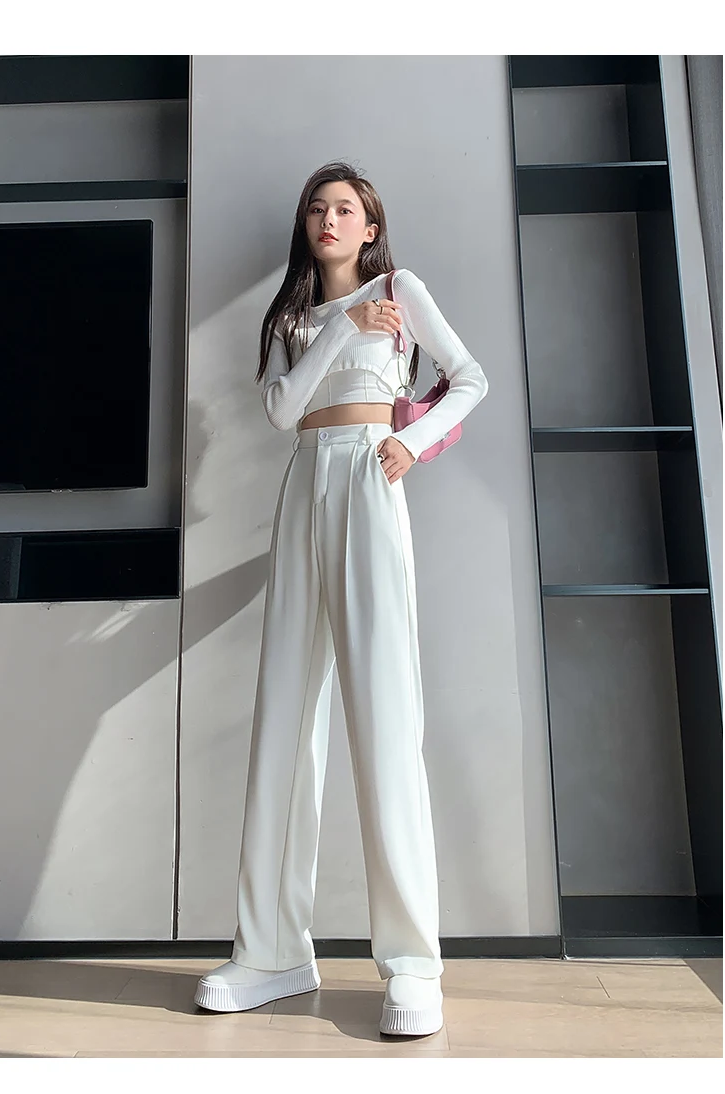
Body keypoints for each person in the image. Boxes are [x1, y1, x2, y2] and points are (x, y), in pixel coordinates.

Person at [195, 161, 489, 1037]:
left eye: (346, 208)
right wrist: (341, 331)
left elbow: (469, 377)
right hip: (303, 487)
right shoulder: (293, 317)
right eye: (317, 209)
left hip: (367, 479)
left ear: (371, 226)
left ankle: (412, 965)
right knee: (282, 717)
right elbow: (282, 411)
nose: (329, 219)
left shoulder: (401, 289)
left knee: (384, 716)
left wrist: (414, 444)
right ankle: (270, 952)